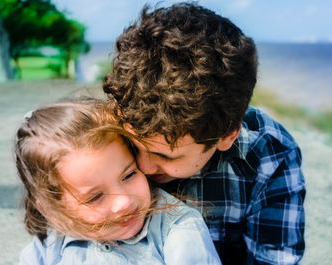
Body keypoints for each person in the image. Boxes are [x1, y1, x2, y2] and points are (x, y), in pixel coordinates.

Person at [103, 3, 306, 265]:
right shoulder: (99, 134)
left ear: (227, 136)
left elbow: (273, 259)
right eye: (132, 143)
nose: (141, 166)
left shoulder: (269, 153)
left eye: (166, 156)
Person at [15, 97, 221, 265]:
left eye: (129, 175)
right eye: (95, 197)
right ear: (51, 209)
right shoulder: (48, 246)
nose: (123, 202)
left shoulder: (178, 229)